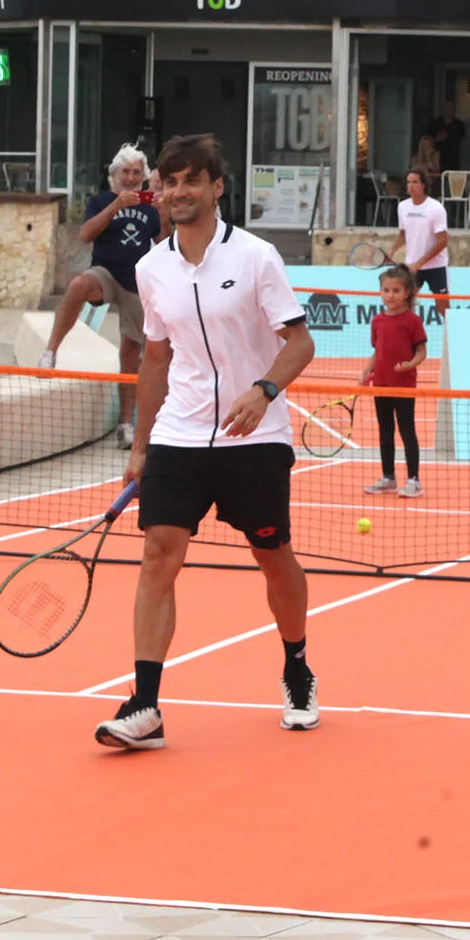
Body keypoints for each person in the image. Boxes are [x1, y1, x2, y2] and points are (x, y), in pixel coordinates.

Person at [97, 132, 318, 753]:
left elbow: (299, 343)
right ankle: (145, 706)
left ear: (217, 188)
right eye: (170, 182)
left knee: (272, 557)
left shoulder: (256, 257)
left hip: (256, 436)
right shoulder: (151, 267)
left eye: (192, 180)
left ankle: (296, 667)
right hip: (180, 434)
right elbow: (156, 361)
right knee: (158, 554)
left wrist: (264, 390)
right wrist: (140, 445)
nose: (179, 192)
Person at [43, 146, 163, 446]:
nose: (132, 178)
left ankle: (125, 424)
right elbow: (85, 234)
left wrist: (167, 211)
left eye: (137, 172)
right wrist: (115, 208)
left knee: (130, 352)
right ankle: (51, 351)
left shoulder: (150, 208)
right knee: (79, 285)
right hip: (106, 273)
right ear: (115, 175)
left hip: (137, 283)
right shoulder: (101, 201)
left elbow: (164, 244)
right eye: (126, 172)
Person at [358, 265, 427, 497]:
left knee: (407, 430)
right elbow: (378, 351)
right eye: (386, 290)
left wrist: (410, 364)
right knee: (385, 430)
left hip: (404, 386)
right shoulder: (377, 321)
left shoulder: (412, 321)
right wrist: (366, 372)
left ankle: (414, 479)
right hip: (381, 384)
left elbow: (421, 352)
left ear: (407, 292)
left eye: (396, 290)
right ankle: (388, 477)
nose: (390, 295)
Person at [389, 168, 450, 299]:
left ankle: (446, 321)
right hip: (412, 267)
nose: (411, 186)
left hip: (436, 266)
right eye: (408, 182)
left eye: (415, 182)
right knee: (405, 302)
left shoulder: (436, 208)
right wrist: (391, 251)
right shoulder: (402, 207)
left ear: (423, 185)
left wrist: (419, 263)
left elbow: (443, 242)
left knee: (443, 306)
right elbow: (403, 234)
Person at [431, 99, 466, 175]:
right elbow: (427, 143)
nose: (449, 110)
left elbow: (464, 143)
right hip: (438, 160)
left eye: (451, 107)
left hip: (454, 160)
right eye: (447, 107)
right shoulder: (435, 124)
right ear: (442, 108)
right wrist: (437, 138)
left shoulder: (459, 125)